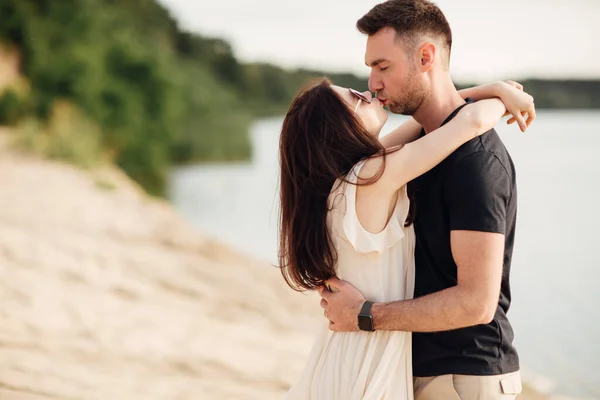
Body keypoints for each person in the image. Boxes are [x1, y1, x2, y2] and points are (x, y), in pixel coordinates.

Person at [318, 1, 535, 399]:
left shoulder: (475, 161)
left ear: (425, 57)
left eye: (382, 67)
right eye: (371, 69)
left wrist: (364, 316)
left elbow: (476, 304)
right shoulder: (404, 157)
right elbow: (452, 116)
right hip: (420, 371)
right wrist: (495, 92)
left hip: (465, 375)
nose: (373, 83)